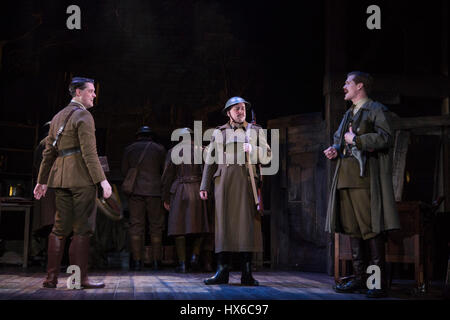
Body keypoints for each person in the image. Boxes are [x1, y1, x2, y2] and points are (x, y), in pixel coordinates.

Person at [324, 71, 400, 298]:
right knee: (353, 230)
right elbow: (340, 140)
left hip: (364, 179)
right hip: (345, 177)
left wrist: (357, 140)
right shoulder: (348, 114)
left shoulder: (375, 109)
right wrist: (334, 149)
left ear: (360, 86)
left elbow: (386, 138)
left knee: (371, 229)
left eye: (347, 82)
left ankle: (376, 282)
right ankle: (360, 279)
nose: (344, 86)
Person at [34, 77, 112, 289]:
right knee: (81, 229)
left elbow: (48, 153)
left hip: (60, 178)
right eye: (91, 91)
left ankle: (50, 279)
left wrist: (42, 181)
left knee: (59, 229)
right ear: (78, 92)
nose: (94, 95)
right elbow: (89, 153)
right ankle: (78, 279)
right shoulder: (84, 116)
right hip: (80, 179)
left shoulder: (58, 116)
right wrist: (102, 181)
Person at [200, 96, 271, 286]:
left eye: (243, 109)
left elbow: (267, 156)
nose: (241, 112)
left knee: (247, 226)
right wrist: (204, 185)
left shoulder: (255, 130)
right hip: (223, 183)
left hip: (247, 183)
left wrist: (253, 149)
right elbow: (210, 160)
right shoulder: (219, 132)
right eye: (237, 109)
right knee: (223, 226)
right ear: (228, 112)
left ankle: (247, 272)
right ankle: (222, 271)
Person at [162, 128, 212, 273]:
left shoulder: (173, 151)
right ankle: (194, 257)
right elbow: (208, 172)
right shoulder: (202, 150)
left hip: (179, 190)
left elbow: (167, 176)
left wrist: (165, 197)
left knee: (179, 229)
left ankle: (183, 264)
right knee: (201, 227)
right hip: (198, 189)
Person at [121, 126, 166, 271]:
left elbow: (124, 171)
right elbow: (164, 171)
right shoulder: (159, 149)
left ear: (138, 135)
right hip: (155, 191)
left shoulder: (130, 149)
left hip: (135, 192)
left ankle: (137, 261)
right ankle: (156, 261)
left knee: (136, 226)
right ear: (151, 136)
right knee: (156, 227)